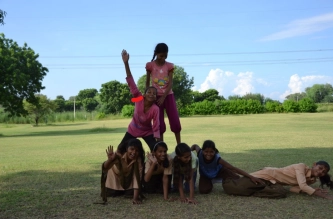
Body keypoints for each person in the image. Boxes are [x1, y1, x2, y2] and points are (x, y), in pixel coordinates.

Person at [119, 49, 160, 152]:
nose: (151, 94)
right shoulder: (139, 98)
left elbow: (156, 126)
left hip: (147, 132)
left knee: (155, 149)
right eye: (149, 92)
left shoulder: (155, 109)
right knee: (120, 149)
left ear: (155, 97)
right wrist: (126, 63)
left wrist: (157, 143)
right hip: (133, 129)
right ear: (144, 95)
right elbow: (131, 82)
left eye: (154, 93)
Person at [191, 140, 264, 194]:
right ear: (202, 150)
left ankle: (219, 178)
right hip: (206, 175)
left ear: (215, 151)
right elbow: (195, 146)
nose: (208, 154)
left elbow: (233, 168)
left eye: (211, 152)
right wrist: (189, 151)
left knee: (237, 179)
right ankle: (212, 180)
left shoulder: (217, 159)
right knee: (204, 190)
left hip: (219, 171)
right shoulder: (199, 153)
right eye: (206, 151)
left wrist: (251, 177)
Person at [145, 43, 181, 145]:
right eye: (161, 56)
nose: (163, 58)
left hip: (168, 96)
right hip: (156, 97)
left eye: (165, 56)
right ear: (156, 53)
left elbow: (170, 83)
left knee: (175, 122)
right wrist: (147, 97)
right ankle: (161, 148)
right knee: (159, 124)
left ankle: (179, 146)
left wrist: (164, 96)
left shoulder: (169, 66)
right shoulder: (150, 65)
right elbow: (147, 83)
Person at [101, 138, 145, 204]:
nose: (134, 152)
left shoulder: (138, 160)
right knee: (112, 193)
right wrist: (110, 160)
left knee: (131, 193)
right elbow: (105, 167)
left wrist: (135, 198)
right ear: (127, 149)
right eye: (132, 149)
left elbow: (137, 177)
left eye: (137, 150)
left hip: (128, 180)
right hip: (115, 178)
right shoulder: (118, 155)